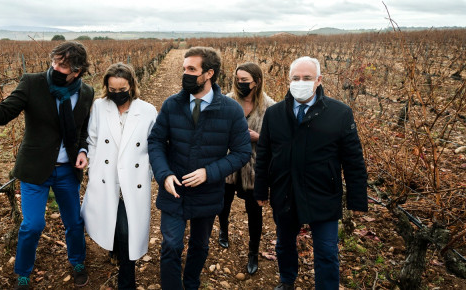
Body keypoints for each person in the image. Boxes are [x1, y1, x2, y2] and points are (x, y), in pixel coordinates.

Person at [0, 41, 94, 289]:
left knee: (74, 222)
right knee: (33, 224)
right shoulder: (33, 82)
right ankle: (23, 273)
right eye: (54, 62)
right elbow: (0, 115)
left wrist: (82, 149)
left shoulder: (87, 93)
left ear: (77, 72)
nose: (55, 67)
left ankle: (78, 261)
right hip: (35, 169)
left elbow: (82, 130)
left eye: (63, 66)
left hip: (68, 170)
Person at [253, 56, 368, 290]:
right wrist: (261, 188)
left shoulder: (340, 113)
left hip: (323, 193)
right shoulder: (274, 114)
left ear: (319, 80)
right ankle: (287, 281)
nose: (300, 82)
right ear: (288, 80)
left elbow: (353, 160)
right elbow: (263, 154)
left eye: (307, 78)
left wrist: (358, 198)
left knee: (326, 250)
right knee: (284, 244)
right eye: (295, 78)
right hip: (285, 192)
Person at [148, 47, 252, 290]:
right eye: (184, 69)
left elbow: (241, 152)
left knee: (200, 244)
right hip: (173, 190)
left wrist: (209, 172)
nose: (185, 74)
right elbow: (155, 141)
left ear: (209, 74)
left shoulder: (231, 110)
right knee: (171, 244)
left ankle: (192, 281)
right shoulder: (172, 104)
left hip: (208, 190)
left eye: (191, 69)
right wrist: (163, 174)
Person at [80, 63, 157, 289]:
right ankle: (114, 249)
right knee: (113, 222)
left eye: (122, 88)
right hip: (106, 177)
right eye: (112, 90)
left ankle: (127, 279)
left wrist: (150, 172)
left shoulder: (148, 110)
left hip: (134, 179)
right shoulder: (98, 107)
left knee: (127, 229)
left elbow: (155, 145)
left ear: (131, 85)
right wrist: (94, 168)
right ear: (106, 87)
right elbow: (92, 140)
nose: (117, 93)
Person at [217, 62, 276, 275]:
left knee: (254, 211)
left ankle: (253, 251)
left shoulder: (270, 107)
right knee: (223, 202)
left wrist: (258, 138)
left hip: (255, 167)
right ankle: (223, 230)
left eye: (245, 81)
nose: (240, 84)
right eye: (238, 80)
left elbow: (277, 139)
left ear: (257, 82)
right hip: (228, 163)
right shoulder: (226, 101)